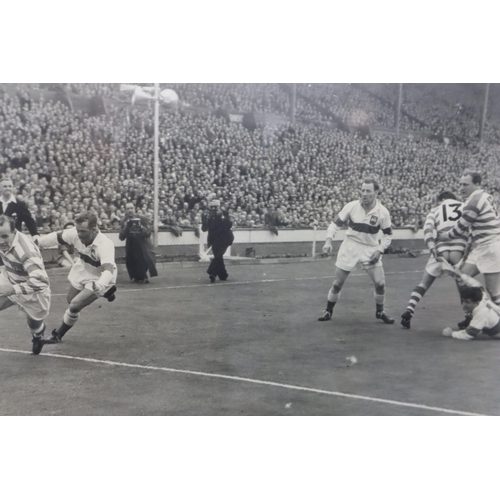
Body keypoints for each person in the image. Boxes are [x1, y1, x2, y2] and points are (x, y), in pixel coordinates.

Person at [318, 178, 395, 324]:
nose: (364, 194)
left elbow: (388, 235)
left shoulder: (383, 212)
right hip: (350, 246)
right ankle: (328, 311)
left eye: (368, 191)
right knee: (337, 284)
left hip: (370, 249)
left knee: (380, 284)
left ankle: (380, 312)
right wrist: (328, 241)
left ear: (376, 193)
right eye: (363, 190)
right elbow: (335, 224)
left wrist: (379, 250)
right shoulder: (352, 206)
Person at [38, 211, 117, 343]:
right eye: (78, 230)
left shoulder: (105, 244)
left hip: (101, 277)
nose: (79, 234)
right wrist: (36, 242)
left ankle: (58, 334)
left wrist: (100, 285)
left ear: (95, 229)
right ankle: (108, 293)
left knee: (74, 306)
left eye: (84, 231)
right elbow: (56, 237)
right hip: (83, 269)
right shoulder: (75, 233)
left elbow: (108, 269)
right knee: (70, 300)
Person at [441, 170, 500, 328]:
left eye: (465, 184)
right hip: (481, 246)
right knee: (461, 277)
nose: (461, 187)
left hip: (490, 247)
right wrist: (468, 249)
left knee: (494, 292)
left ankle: (494, 318)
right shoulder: (483, 196)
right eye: (460, 184)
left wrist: (446, 236)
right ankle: (472, 314)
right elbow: (474, 228)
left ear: (477, 185)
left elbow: (461, 228)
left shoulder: (474, 201)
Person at [401, 191, 467, 328]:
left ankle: (409, 310)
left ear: (441, 200)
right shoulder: (464, 206)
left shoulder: (436, 210)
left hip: (440, 250)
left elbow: (428, 229)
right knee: (462, 284)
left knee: (423, 284)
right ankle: (469, 316)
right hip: (459, 249)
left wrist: (432, 247)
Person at [0, 215, 50, 354]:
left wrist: (12, 289)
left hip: (34, 291)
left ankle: (38, 335)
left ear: (14, 232)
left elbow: (41, 281)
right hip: (10, 278)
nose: (0, 241)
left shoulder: (26, 251)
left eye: (4, 236)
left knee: (34, 326)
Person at [440, 260, 500, 340]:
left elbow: (469, 334)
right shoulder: (482, 296)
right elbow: (474, 283)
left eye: (467, 302)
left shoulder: (481, 313)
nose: (464, 305)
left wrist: (451, 333)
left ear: (477, 302)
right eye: (463, 301)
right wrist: (460, 274)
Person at [119, 203, 158, 284]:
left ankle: (143, 276)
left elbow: (148, 233)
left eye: (131, 208)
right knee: (130, 261)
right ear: (125, 210)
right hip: (130, 243)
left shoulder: (142, 218)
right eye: (128, 208)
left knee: (143, 259)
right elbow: (121, 237)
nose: (130, 210)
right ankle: (136, 276)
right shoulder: (123, 220)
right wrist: (125, 228)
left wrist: (141, 227)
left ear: (135, 208)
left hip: (142, 242)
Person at [201, 199, 234, 283]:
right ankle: (223, 275)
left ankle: (212, 273)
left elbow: (229, 225)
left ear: (219, 207)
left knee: (218, 255)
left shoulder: (224, 213)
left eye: (215, 207)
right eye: (212, 207)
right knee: (218, 257)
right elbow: (204, 229)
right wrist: (205, 221)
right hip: (214, 239)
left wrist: (222, 218)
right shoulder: (208, 215)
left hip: (225, 238)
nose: (213, 209)